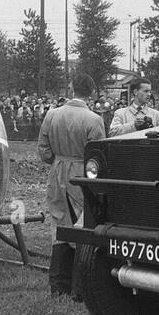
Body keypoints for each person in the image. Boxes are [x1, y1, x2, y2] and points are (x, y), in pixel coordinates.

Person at [38, 70, 106, 296]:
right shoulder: (94, 119)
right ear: (92, 92)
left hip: (57, 173)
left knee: (59, 226)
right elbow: (98, 157)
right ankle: (80, 287)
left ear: (71, 88)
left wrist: (57, 160)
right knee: (82, 228)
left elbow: (43, 150)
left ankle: (58, 285)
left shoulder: (52, 114)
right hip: (82, 176)